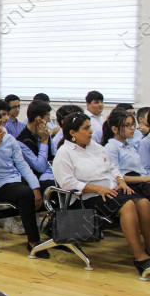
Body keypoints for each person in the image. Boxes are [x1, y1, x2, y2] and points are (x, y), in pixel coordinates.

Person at [53, 113, 150, 278]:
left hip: (109, 191)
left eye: (90, 126)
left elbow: (112, 167)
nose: (91, 131)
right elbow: (67, 183)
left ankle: (149, 248)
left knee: (144, 203)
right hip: (85, 199)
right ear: (73, 133)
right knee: (128, 206)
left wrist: (121, 180)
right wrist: (96, 189)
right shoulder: (65, 153)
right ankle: (139, 257)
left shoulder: (95, 147)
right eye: (86, 128)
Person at [0, 108, 47, 257]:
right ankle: (33, 242)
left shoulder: (9, 139)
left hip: (17, 179)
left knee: (48, 186)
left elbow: (22, 165)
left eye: (0, 123)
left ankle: (58, 236)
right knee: (25, 193)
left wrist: (36, 187)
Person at [102, 111, 150, 198]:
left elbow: (141, 169)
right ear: (115, 129)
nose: (132, 128)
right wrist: (144, 178)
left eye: (132, 125)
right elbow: (115, 175)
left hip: (141, 182)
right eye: (127, 125)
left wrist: (146, 177)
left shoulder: (129, 146)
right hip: (129, 185)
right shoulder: (111, 147)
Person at [16, 101, 55, 191]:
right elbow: (40, 167)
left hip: (52, 172)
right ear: (38, 119)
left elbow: (54, 156)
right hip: (38, 180)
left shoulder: (46, 134)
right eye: (47, 117)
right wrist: (44, 141)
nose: (49, 121)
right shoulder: (21, 142)